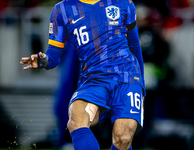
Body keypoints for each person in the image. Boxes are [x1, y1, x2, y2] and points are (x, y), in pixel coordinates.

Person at [20, 0, 145, 149]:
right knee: (75, 121)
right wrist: (43, 60)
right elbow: (53, 55)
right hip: (94, 80)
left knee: (122, 139)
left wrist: (141, 86)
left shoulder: (124, 3)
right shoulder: (62, 10)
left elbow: (135, 45)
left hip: (127, 77)